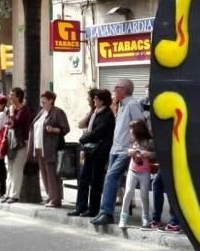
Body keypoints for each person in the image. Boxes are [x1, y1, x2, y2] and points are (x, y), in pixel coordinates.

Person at [92, 79, 144, 226]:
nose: (114, 90)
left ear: (125, 90)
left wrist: (134, 147)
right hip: (116, 148)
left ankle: (106, 213)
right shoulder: (120, 105)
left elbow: (139, 126)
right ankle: (104, 212)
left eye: (117, 88)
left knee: (110, 178)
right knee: (110, 179)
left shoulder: (132, 104)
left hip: (125, 150)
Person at [70, 89, 114, 218]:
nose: (93, 100)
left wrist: (83, 139)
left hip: (99, 152)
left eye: (96, 98)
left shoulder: (107, 115)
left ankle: (93, 209)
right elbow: (85, 126)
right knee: (83, 179)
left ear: (102, 100)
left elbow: (98, 132)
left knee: (96, 181)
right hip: (90, 150)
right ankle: (80, 207)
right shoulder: (95, 112)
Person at [29, 91, 70, 208]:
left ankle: (56, 199)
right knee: (44, 173)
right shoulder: (41, 112)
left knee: (52, 174)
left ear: (51, 100)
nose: (42, 100)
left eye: (44, 98)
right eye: (41, 98)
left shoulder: (58, 112)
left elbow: (65, 129)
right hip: (39, 147)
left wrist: (53, 130)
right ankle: (50, 196)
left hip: (51, 147)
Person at [119, 119, 155, 229]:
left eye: (132, 129)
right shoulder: (132, 140)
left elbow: (156, 154)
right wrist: (130, 152)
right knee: (128, 192)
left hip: (144, 172)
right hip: (133, 170)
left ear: (138, 130)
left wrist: (148, 154)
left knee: (144, 196)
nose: (130, 131)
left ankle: (145, 217)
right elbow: (126, 150)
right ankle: (123, 218)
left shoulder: (149, 141)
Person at [3, 87, 32, 204]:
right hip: (11, 142)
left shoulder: (24, 110)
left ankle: (15, 195)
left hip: (21, 143)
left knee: (17, 169)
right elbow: (7, 124)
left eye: (12, 95)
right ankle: (8, 193)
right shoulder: (13, 109)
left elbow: (15, 122)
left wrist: (11, 113)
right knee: (9, 169)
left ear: (19, 97)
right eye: (10, 94)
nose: (10, 97)